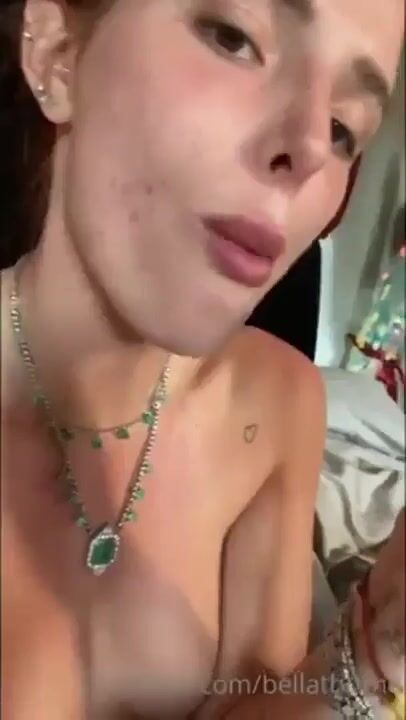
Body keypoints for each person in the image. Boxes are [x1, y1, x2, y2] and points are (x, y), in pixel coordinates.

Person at [1, 1, 404, 718]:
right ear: (58, 54)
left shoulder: (277, 402)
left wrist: (376, 648)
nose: (311, 149)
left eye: (345, 128)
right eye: (233, 38)